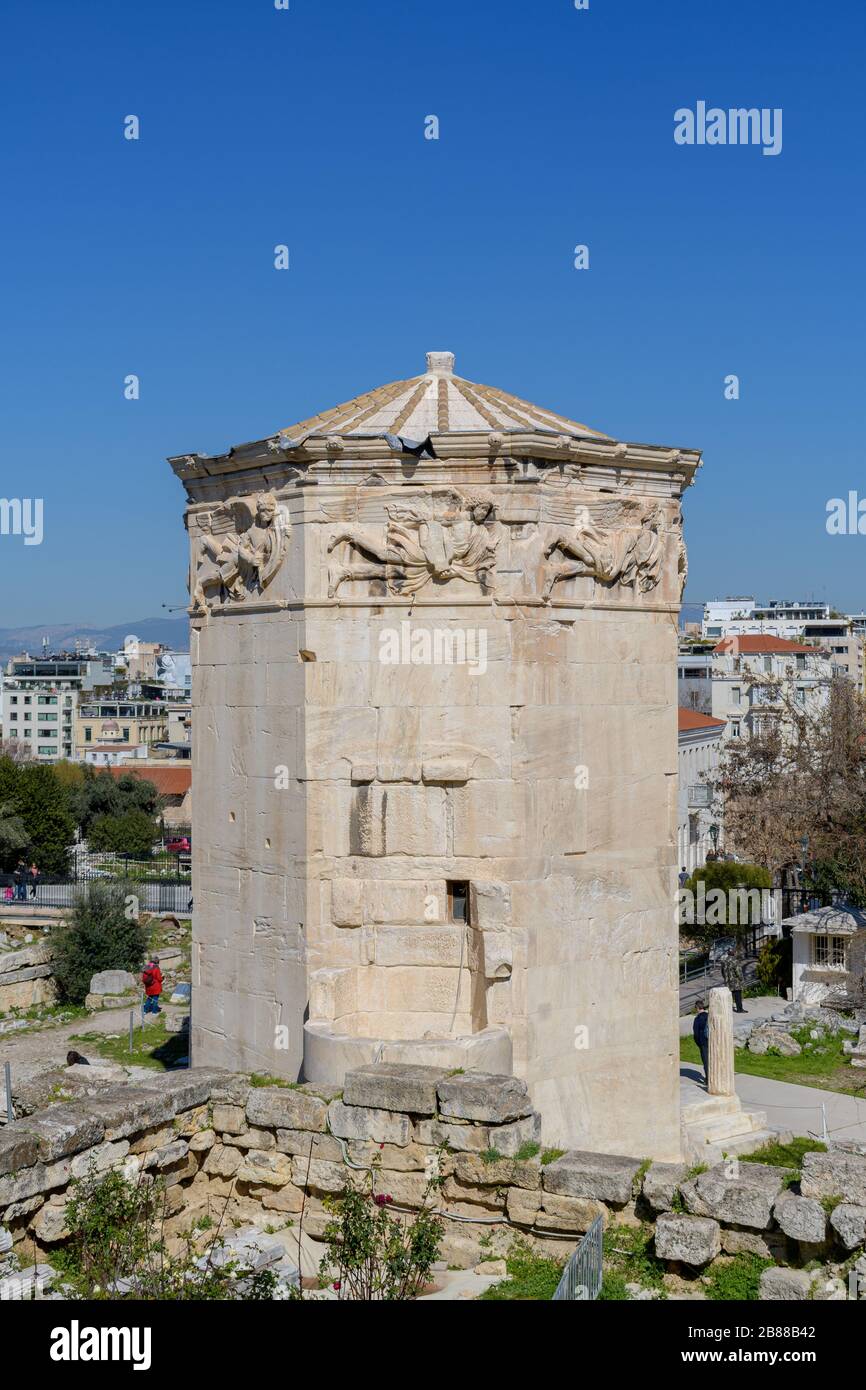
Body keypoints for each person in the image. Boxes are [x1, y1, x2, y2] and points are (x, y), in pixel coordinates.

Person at [722, 948, 747, 1013]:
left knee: (729, 996)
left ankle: (727, 1009)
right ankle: (739, 1009)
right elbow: (738, 972)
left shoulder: (724, 961)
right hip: (735, 982)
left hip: (728, 981)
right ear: (733, 953)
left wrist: (725, 978)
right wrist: (741, 979)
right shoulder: (735, 961)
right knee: (738, 996)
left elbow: (722, 971)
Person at [692, 1000, 710, 1085]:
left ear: (697, 1008)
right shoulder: (709, 1016)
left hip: (703, 1043)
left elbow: (696, 1034)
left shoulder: (697, 1019)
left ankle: (708, 1079)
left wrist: (699, 1044)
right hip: (712, 1041)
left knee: (706, 1061)